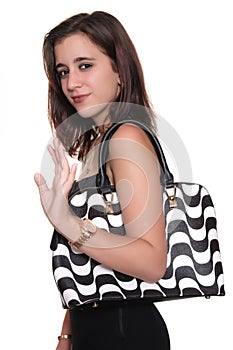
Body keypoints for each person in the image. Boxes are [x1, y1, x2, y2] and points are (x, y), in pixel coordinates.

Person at [34, 11, 170, 350]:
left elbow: (152, 262)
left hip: (123, 331)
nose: (71, 83)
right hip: (95, 326)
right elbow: (92, 266)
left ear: (119, 71)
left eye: (85, 65)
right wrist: (68, 334)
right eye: (63, 71)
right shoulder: (100, 142)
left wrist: (66, 221)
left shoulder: (126, 139)